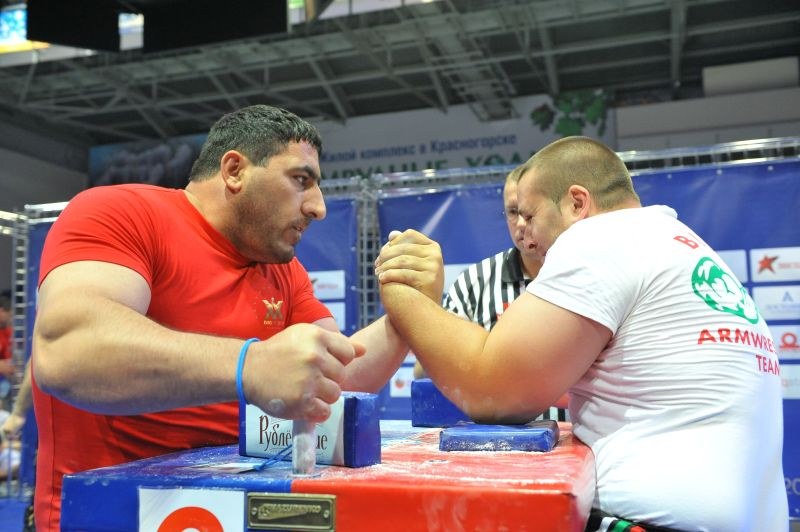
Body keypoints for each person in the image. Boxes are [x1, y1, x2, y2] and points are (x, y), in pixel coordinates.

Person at [30, 105, 442, 532]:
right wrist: (251, 365)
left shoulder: (282, 270)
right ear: (234, 171)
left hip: (224, 512)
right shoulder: (121, 212)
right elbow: (66, 351)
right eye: (301, 180)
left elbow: (334, 378)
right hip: (111, 515)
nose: (318, 207)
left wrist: (411, 309)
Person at [375, 136, 787, 531]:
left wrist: (401, 289)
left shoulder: (601, 238)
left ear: (577, 203)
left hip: (651, 520)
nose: (525, 234)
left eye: (531, 215)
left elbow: (493, 394)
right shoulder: (678, 242)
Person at [414, 165, 567, 421]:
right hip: (497, 439)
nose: (521, 223)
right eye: (513, 212)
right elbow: (423, 371)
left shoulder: (584, 275)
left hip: (579, 435)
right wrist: (460, 345)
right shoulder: (473, 283)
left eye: (530, 212)